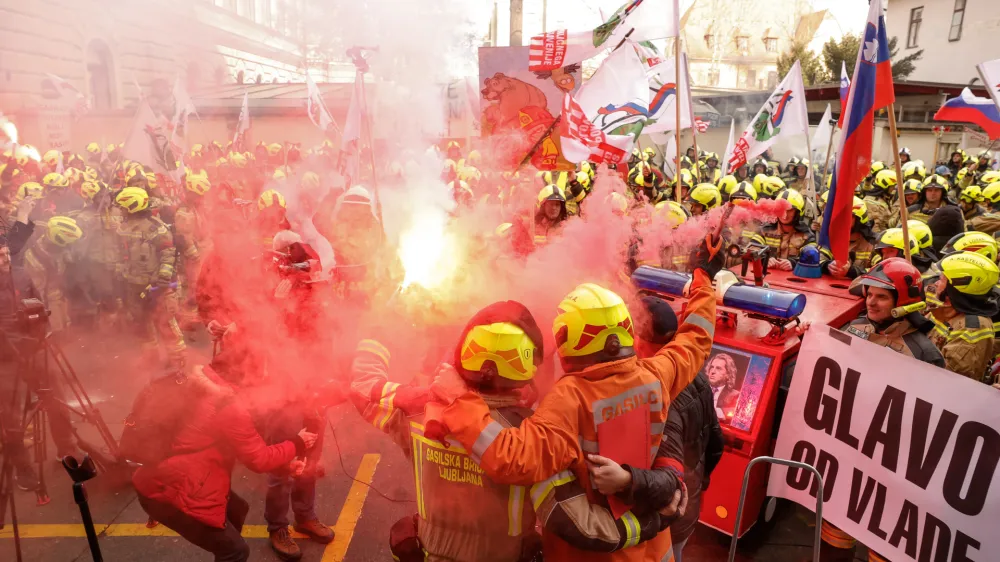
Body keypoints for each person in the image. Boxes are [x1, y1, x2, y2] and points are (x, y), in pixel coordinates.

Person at [429, 236, 723, 562]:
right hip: (655, 548)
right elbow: (696, 338)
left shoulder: (569, 399)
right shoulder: (656, 375)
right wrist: (703, 277)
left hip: (594, 553)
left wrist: (459, 399)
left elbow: (509, 457)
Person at [349, 301, 672, 561]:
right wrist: (653, 521)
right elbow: (584, 527)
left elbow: (363, 386)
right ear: (527, 370)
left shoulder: (419, 410)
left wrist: (378, 332)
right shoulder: (534, 438)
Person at [133, 333, 317, 562]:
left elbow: (244, 446)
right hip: (170, 490)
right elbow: (258, 459)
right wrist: (297, 443)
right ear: (248, 373)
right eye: (263, 373)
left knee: (237, 510)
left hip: (171, 475)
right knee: (236, 551)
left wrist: (285, 465)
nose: (266, 379)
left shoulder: (206, 381)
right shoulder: (228, 405)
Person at [587, 296, 724, 562]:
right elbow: (716, 443)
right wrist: (698, 487)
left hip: (665, 518)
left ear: (638, 339)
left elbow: (666, 476)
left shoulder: (656, 395)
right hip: (688, 508)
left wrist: (626, 481)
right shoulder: (697, 374)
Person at [830, 258, 944, 562]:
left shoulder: (924, 353)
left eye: (881, 296)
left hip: (890, 465)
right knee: (835, 535)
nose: (871, 302)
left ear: (901, 302)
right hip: (847, 452)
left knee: (881, 547)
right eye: (869, 294)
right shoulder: (854, 327)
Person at [115, 186, 186, 367]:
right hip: (134, 285)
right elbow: (121, 254)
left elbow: (168, 253)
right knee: (141, 324)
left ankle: (177, 362)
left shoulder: (156, 228)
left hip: (156, 287)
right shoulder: (122, 228)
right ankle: (151, 358)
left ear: (132, 206)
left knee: (165, 324)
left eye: (123, 207)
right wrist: (120, 276)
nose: (121, 210)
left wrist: (163, 279)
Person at [925, 252, 998, 380]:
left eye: (942, 279)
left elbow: (949, 379)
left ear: (957, 286)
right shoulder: (948, 310)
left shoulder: (973, 327)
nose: (936, 283)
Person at [761, 188, 815, 271]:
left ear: (797, 213)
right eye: (781, 209)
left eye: (789, 210)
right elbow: (752, 249)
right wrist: (764, 259)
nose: (785, 214)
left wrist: (793, 263)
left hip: (793, 281)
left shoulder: (806, 235)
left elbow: (812, 258)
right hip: (766, 279)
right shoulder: (764, 230)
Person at [705, 353, 739, 419]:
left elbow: (737, 413)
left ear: (728, 374)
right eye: (712, 367)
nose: (712, 371)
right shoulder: (697, 389)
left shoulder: (734, 395)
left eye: (718, 368)